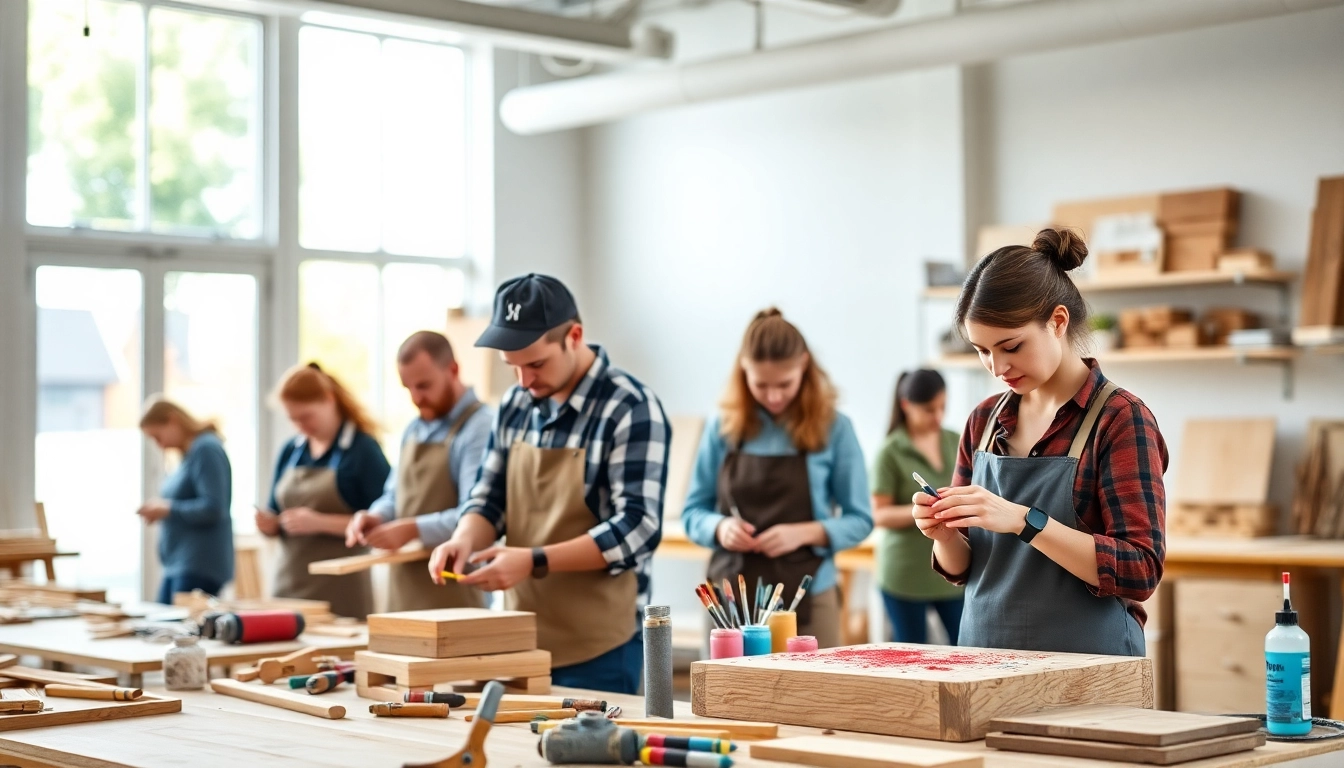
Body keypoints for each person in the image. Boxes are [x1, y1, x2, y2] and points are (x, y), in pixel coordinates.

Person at [914, 228, 1168, 656]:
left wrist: (1023, 520)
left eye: (1010, 346)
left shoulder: (1120, 420)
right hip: (984, 662)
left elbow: (1140, 570)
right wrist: (942, 535)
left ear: (1058, 322)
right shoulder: (984, 421)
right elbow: (966, 567)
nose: (997, 366)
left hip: (1088, 671)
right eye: (982, 350)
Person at [427, 274, 670, 694]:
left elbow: (637, 528)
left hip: (603, 649)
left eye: (536, 364)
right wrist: (464, 538)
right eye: (513, 367)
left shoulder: (629, 407)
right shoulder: (515, 405)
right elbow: (489, 498)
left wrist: (532, 561)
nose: (524, 382)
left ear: (574, 336)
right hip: (521, 640)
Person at [681, 309, 872, 649]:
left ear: (804, 365)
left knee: (814, 699)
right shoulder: (722, 426)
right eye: (761, 385)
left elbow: (860, 520)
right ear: (743, 370)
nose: (773, 397)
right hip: (730, 604)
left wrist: (805, 532)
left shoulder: (835, 428)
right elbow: (693, 513)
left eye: (784, 384)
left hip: (809, 600)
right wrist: (720, 528)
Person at [345, 332, 494, 612]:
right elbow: (394, 495)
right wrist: (376, 516)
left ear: (453, 370)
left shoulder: (480, 427)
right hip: (404, 592)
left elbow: (478, 514)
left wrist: (412, 529)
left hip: (456, 596)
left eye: (424, 386)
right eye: (408, 388)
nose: (416, 398)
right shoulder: (413, 429)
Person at [259, 363, 391, 619]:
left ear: (329, 400)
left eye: (306, 417)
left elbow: (384, 523)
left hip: (341, 592)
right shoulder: (291, 451)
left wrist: (318, 522)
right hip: (288, 585)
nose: (300, 426)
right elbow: (275, 512)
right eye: (293, 419)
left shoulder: (363, 451)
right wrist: (269, 525)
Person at [871, 369, 963, 645]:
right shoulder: (890, 451)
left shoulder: (955, 439)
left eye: (942, 407)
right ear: (906, 405)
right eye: (928, 410)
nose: (938, 417)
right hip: (905, 575)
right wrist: (925, 511)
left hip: (953, 573)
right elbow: (879, 514)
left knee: (967, 648)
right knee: (913, 655)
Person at [138, 397, 233, 604]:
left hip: (198, 565)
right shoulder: (188, 455)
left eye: (157, 436)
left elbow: (214, 507)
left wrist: (168, 509)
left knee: (174, 627)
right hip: (180, 563)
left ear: (173, 420)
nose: (158, 444)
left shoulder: (206, 449)